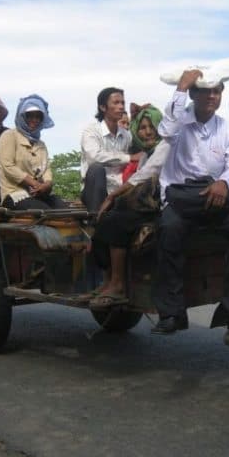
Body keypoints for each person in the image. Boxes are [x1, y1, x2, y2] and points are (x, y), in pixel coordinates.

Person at [151, 70, 229, 335]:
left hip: (217, 199)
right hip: (182, 200)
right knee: (168, 229)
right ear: (193, 93)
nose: (212, 96)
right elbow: (165, 130)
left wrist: (223, 182)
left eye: (217, 90)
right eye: (205, 90)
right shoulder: (177, 124)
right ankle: (172, 312)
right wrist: (180, 87)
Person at [87, 104, 167, 308]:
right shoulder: (147, 153)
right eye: (142, 127)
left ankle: (118, 283)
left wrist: (112, 195)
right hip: (148, 204)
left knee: (117, 222)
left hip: (162, 206)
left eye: (152, 126)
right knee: (106, 220)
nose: (147, 132)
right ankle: (108, 280)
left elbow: (143, 176)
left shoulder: (165, 147)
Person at [0, 94, 66, 210]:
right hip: (15, 195)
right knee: (46, 212)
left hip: (38, 195)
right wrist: (35, 184)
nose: (34, 120)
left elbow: (46, 169)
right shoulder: (9, 136)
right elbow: (8, 167)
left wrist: (47, 185)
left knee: (65, 208)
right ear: (22, 116)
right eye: (30, 116)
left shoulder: (41, 144)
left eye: (38, 117)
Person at [80, 87, 132, 214]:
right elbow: (94, 157)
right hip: (95, 191)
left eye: (123, 103)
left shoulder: (127, 135)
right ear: (103, 107)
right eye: (116, 103)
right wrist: (128, 158)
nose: (121, 107)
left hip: (119, 190)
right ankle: (94, 219)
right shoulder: (91, 131)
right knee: (96, 168)